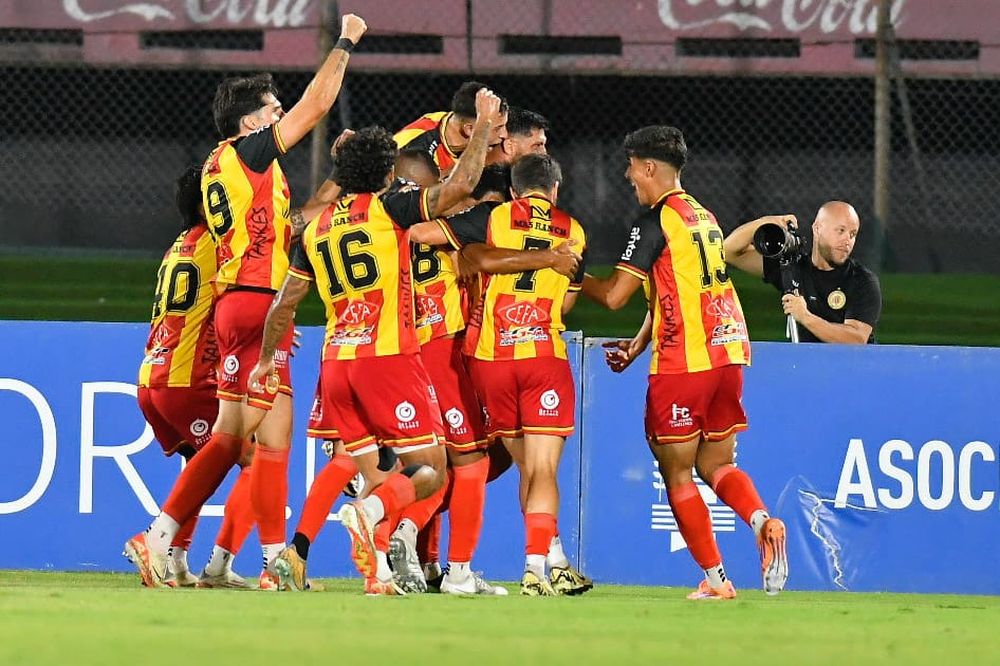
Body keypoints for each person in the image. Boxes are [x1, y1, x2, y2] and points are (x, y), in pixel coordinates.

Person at [124, 13, 369, 590]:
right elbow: (315, 105)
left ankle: (271, 563)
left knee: (270, 438)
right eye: (271, 106)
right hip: (257, 300)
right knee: (238, 437)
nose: (280, 112)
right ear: (249, 120)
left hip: (249, 302)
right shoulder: (249, 153)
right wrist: (345, 42)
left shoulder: (229, 169)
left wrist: (340, 176)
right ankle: (158, 537)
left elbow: (290, 229)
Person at [250, 88, 502, 593]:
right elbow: (460, 187)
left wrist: (266, 362)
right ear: (388, 174)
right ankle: (368, 516)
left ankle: (377, 574)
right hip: (387, 357)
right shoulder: (393, 209)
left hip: (337, 364)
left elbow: (284, 305)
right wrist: (486, 125)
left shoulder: (316, 227)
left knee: (375, 470)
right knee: (430, 469)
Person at [580, 126, 788, 599]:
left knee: (677, 472)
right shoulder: (701, 215)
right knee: (717, 461)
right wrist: (636, 346)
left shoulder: (652, 222)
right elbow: (673, 292)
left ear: (649, 167)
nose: (627, 175)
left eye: (631, 166)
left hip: (684, 361)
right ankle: (763, 521)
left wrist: (570, 270)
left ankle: (716, 580)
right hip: (729, 351)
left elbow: (614, 296)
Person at [411, 153, 587, 596]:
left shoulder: (493, 216)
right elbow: (566, 303)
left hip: (490, 359)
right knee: (542, 467)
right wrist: (552, 264)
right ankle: (536, 567)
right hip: (544, 355)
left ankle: (555, 558)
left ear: (512, 189)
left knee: (524, 463)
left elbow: (446, 246)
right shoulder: (574, 229)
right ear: (556, 189)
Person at [136, 166, 255, 589]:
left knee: (197, 465)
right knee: (252, 457)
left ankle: (178, 559)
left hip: (152, 376)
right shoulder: (215, 246)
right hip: (184, 381)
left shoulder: (177, 248)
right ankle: (175, 546)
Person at [723, 202, 882, 344]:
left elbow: (856, 339)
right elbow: (728, 251)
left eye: (852, 234)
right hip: (807, 367)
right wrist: (764, 222)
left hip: (851, 371)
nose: (847, 240)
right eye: (840, 231)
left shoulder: (862, 280)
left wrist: (805, 317)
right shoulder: (792, 268)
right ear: (817, 228)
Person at [394, 81, 509, 178]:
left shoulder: (465, 121)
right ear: (469, 130)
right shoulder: (413, 148)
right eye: (498, 128)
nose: (504, 134)